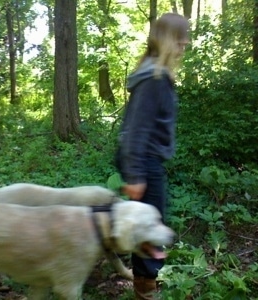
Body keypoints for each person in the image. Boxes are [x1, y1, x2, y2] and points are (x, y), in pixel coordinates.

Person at [114, 13, 190, 300]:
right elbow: (136, 130)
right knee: (150, 226)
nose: (183, 50)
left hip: (145, 160)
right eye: (180, 44)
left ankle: (143, 281)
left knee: (147, 223)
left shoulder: (154, 74)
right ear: (169, 41)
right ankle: (146, 289)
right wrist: (135, 175)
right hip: (143, 161)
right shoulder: (154, 78)